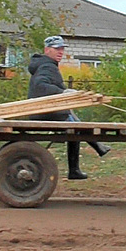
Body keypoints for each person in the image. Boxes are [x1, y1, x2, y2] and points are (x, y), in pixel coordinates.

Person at [27, 36, 110, 180]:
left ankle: (89, 154)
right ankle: (86, 157)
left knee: (72, 119)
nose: (61, 52)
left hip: (45, 110)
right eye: (57, 49)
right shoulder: (47, 66)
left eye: (62, 49)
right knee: (74, 126)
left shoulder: (46, 64)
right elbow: (40, 86)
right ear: (47, 50)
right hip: (47, 113)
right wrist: (63, 92)